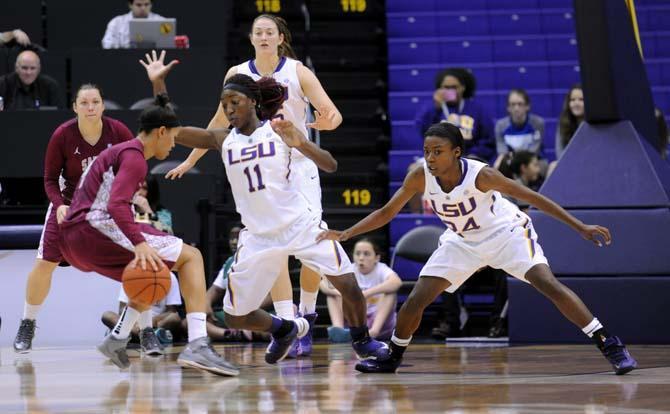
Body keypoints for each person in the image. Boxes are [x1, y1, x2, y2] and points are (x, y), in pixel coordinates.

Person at [317, 122, 637, 375]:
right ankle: (393, 357)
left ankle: (609, 343)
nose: (430, 158)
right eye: (427, 151)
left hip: (506, 233)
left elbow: (532, 197)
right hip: (462, 241)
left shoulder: (481, 175)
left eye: (437, 151)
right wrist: (348, 232)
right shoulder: (419, 177)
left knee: (547, 284)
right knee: (417, 299)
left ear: (456, 152)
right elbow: (387, 212)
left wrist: (579, 226)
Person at [148, 54, 387, 365]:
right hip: (259, 237)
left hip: (300, 225)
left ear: (253, 101)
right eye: (224, 104)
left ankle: (363, 342)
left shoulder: (278, 130)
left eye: (235, 101)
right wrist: (158, 83)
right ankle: (284, 328)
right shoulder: (222, 140)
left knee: (350, 287)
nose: (229, 109)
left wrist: (300, 142)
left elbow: (330, 164)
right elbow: (172, 129)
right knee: (236, 317)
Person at [164, 14, 343, 357]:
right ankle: (288, 324)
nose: (263, 36)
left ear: (279, 38)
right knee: (273, 249)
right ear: (251, 38)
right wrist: (190, 160)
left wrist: (327, 121)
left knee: (312, 243)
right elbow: (218, 123)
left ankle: (307, 314)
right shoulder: (236, 74)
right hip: (260, 163)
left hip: (298, 163)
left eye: (269, 32)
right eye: (258, 32)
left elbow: (332, 114)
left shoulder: (297, 71)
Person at [58, 93, 239, 376]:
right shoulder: (135, 157)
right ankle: (198, 344)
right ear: (161, 132)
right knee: (192, 257)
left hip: (73, 240)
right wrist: (139, 242)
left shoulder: (122, 151)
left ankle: (117, 338)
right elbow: (117, 204)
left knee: (150, 273)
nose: (174, 145)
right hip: (92, 228)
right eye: (174, 138)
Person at [13, 84, 135, 353]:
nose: (90, 107)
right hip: (70, 204)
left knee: (136, 263)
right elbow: (48, 179)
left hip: (107, 207)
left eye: (95, 102)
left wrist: (123, 198)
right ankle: (27, 322)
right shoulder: (62, 135)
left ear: (103, 105)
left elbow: (133, 168)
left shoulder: (119, 132)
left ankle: (143, 329)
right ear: (75, 107)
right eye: (84, 103)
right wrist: (58, 205)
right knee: (45, 264)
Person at [321, 238, 401, 341]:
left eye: (366, 254)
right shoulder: (349, 270)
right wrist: (341, 293)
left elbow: (396, 282)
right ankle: (338, 330)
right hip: (355, 318)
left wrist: (366, 293)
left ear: (377, 258)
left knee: (390, 293)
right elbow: (323, 283)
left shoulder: (381, 269)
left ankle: (373, 332)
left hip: (378, 321)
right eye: (357, 254)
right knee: (332, 295)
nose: (361, 258)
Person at [414, 67, 495, 163]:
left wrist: (474, 155)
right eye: (446, 87)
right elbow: (422, 130)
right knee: (413, 168)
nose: (450, 91)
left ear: (463, 88)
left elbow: (488, 140)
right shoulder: (434, 108)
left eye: (454, 87)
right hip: (439, 156)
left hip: (470, 157)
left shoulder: (478, 110)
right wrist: (435, 107)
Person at [102, 272, 183, 352]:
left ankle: (124, 336)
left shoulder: (170, 277)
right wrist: (134, 322)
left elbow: (171, 311)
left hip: (157, 324)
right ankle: (151, 338)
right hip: (133, 324)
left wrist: (152, 321)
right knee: (107, 315)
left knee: (175, 318)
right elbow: (122, 309)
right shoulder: (130, 274)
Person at [494, 89, 545, 169]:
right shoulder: (500, 125)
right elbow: (502, 150)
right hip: (511, 160)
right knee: (498, 164)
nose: (516, 108)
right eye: (513, 104)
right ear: (508, 108)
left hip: (532, 160)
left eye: (520, 104)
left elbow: (535, 149)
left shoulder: (538, 123)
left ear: (527, 106)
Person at [0, 50, 65, 110]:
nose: (29, 72)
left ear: (39, 69)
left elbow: (59, 113)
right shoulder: (3, 84)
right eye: (24, 68)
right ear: (16, 68)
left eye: (33, 68)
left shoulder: (50, 85)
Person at [555, 84, 584, 160]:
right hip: (569, 164)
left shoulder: (594, 124)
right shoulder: (563, 123)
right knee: (553, 165)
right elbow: (560, 153)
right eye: (572, 100)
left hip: (589, 162)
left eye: (581, 99)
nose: (576, 103)